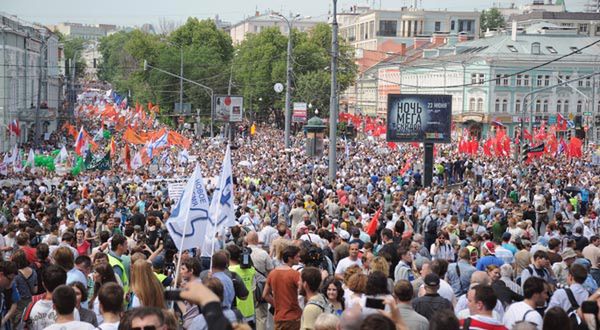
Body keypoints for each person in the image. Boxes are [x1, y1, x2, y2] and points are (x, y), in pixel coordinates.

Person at [263, 244, 302, 330]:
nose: (299, 259)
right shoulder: (295, 274)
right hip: (293, 316)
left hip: (279, 316)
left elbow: (265, 295)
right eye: (297, 257)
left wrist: (276, 305)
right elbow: (303, 290)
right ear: (290, 258)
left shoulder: (272, 273)